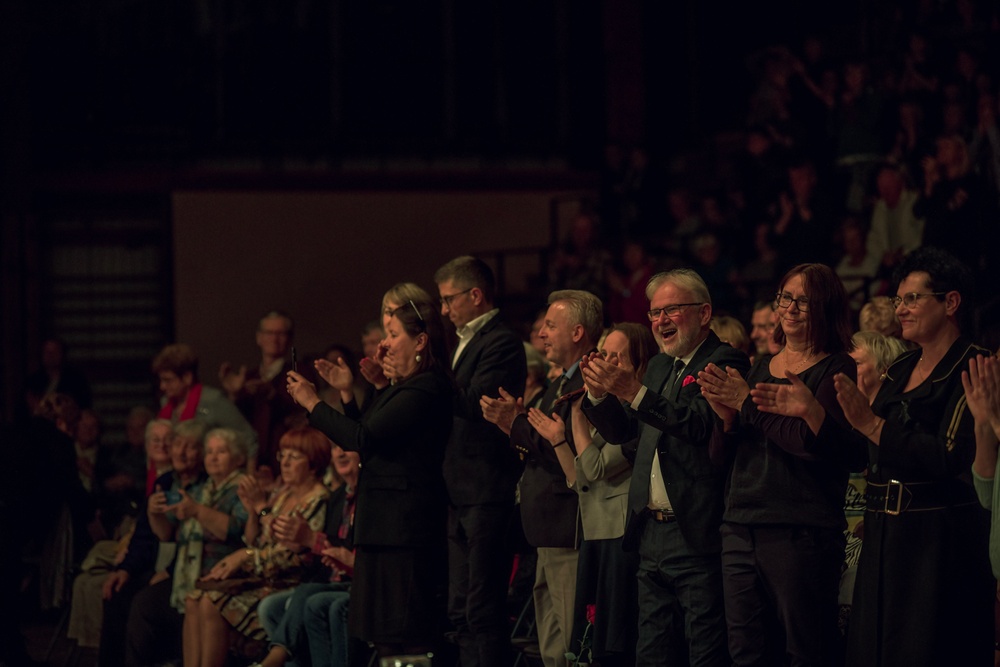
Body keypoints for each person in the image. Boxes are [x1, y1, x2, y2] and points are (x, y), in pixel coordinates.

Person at [829, 247, 993, 665]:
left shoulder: (972, 366)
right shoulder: (901, 368)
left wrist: (873, 424)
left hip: (935, 544)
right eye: (898, 300)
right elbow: (869, 443)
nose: (901, 309)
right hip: (883, 536)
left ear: (950, 302)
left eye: (913, 299)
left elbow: (951, 456)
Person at [581, 270, 750, 666]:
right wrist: (598, 392)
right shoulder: (658, 367)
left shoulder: (723, 359)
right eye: (655, 313)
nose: (660, 321)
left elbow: (695, 424)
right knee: (652, 654)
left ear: (704, 312)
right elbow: (625, 431)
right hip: (649, 534)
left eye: (672, 310)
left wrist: (631, 391)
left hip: (694, 531)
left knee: (704, 651)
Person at [697, 263, 862, 665]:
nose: (790, 308)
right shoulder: (758, 367)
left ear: (825, 307)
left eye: (803, 301)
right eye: (785, 298)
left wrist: (746, 407)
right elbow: (722, 458)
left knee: (804, 649)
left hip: (799, 529)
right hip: (740, 524)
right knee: (746, 652)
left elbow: (809, 446)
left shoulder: (836, 368)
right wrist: (727, 418)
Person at [288, 298, 453, 659]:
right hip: (385, 527)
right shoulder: (402, 387)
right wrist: (351, 391)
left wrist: (313, 403)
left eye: (393, 334)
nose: (384, 344)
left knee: (407, 634)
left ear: (421, 341)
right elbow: (367, 432)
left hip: (404, 529)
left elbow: (361, 439)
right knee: (384, 637)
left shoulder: (425, 387)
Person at [481, 290, 603, 667]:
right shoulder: (558, 383)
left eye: (551, 325)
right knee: (551, 648)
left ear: (578, 332)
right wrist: (514, 426)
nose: (542, 335)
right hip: (546, 534)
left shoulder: (588, 380)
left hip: (569, 531)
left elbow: (563, 452)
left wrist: (514, 424)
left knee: (572, 646)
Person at [528, 322, 657, 666]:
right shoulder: (604, 407)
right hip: (594, 533)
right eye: (605, 354)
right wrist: (558, 439)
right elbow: (580, 479)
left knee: (615, 643)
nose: (608, 362)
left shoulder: (634, 412)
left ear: (640, 363)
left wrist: (577, 415)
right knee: (588, 643)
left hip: (618, 536)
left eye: (619, 356)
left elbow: (598, 467)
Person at [435, 255, 527, 667]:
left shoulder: (501, 340)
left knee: (481, 607)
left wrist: (425, 371)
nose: (444, 309)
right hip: (460, 488)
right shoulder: (465, 341)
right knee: (459, 607)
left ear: (475, 295)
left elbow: (479, 402)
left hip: (486, 488)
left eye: (449, 299)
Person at [182, 427, 330, 667]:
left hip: (288, 583)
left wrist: (246, 555)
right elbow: (255, 540)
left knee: (211, 602)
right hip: (263, 578)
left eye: (295, 457)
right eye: (283, 455)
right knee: (194, 599)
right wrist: (252, 511)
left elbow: (293, 557)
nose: (286, 463)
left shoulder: (318, 499)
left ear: (313, 463)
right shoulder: (283, 494)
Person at [255, 443, 361, 667]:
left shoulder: (363, 496)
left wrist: (309, 541)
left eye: (346, 446)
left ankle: (277, 655)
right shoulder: (338, 496)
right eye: (334, 447)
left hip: (355, 581)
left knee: (315, 598)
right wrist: (301, 547)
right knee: (271, 606)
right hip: (326, 579)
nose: (340, 453)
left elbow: (348, 549)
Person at [97, 419, 176, 667]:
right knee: (115, 592)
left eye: (168, 440)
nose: (162, 445)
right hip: (151, 562)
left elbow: (179, 535)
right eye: (155, 440)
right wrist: (125, 569)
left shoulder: (176, 481)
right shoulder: (157, 480)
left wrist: (169, 570)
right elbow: (143, 535)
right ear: (146, 446)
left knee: (139, 601)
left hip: (170, 567)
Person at [219, 311, 305, 478]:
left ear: (289, 338)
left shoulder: (299, 372)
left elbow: (301, 413)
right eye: (269, 333)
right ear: (259, 338)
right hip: (252, 462)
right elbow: (237, 424)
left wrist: (271, 394)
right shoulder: (249, 377)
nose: (274, 338)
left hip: (286, 460)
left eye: (280, 333)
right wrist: (234, 396)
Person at [153, 343, 258, 471]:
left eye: (168, 380)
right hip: (176, 478)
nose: (162, 386)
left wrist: (250, 478)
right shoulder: (166, 404)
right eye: (161, 380)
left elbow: (249, 438)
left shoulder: (213, 400)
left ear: (187, 377)